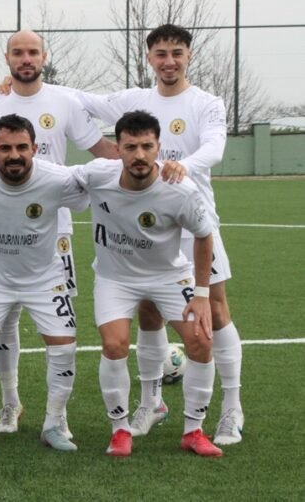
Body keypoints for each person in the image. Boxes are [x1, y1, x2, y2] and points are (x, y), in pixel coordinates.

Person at [0, 29, 118, 434]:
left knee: (58, 327)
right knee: (3, 321)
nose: (26, 58)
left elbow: (103, 152)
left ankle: (57, 418)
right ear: (7, 58)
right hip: (1, 226)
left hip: (54, 231)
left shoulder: (65, 101)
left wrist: (151, 166)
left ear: (43, 56)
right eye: (18, 52)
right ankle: (10, 403)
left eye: (33, 51)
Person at [73, 24, 242, 446]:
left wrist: (183, 165)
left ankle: (231, 407)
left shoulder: (206, 102)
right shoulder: (134, 100)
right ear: (150, 57)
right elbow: (78, 100)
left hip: (191, 219)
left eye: (177, 53)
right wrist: (17, 86)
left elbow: (215, 148)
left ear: (189, 56)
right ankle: (151, 403)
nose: (169, 61)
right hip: (141, 224)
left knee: (214, 311)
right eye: (161, 53)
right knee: (148, 311)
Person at [72, 110, 222, 457]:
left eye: (146, 146)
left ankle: (194, 430)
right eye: (130, 147)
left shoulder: (180, 189)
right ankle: (120, 430)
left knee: (201, 340)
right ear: (118, 149)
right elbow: (50, 175)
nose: (139, 155)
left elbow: (204, 236)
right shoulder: (97, 175)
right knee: (114, 345)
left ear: (159, 147)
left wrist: (202, 294)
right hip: (115, 278)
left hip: (169, 276)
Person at [0, 114, 88, 451]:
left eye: (22, 147)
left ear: (35, 149)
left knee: (64, 345)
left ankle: (54, 423)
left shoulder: (57, 179)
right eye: (5, 148)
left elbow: (88, 192)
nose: (14, 155)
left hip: (44, 278)